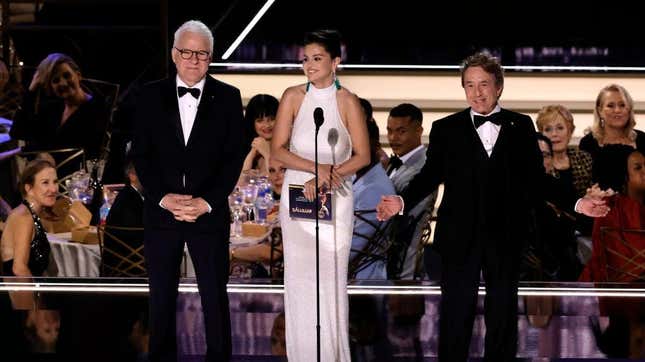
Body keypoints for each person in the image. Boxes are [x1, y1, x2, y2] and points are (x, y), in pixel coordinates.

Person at [376, 52, 610, 362]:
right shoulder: (447, 128)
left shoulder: (521, 125)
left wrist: (580, 203)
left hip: (505, 237)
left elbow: (537, 182)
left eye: (483, 84)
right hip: (459, 238)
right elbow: (429, 176)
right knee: (455, 319)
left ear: (498, 87)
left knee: (502, 319)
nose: (477, 92)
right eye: (469, 85)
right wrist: (402, 200)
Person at [132, 20, 247, 362]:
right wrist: (164, 198)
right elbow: (141, 156)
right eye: (186, 52)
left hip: (208, 215)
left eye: (201, 54)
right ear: (173, 54)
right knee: (161, 299)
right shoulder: (149, 95)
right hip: (161, 214)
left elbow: (232, 159)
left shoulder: (228, 97)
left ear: (210, 58)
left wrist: (206, 202)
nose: (193, 60)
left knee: (214, 298)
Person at [271, 29, 369, 361]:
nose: (309, 65)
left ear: (335, 62)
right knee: (298, 278)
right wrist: (316, 169)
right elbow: (278, 151)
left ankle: (331, 354)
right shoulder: (292, 96)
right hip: (298, 195)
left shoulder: (348, 102)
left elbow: (363, 156)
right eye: (305, 59)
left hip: (336, 200)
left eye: (317, 58)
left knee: (329, 279)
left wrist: (331, 175)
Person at [10, 53, 110, 172]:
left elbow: (90, 152)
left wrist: (40, 151)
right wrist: (31, 90)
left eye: (67, 76)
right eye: (56, 80)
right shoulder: (53, 108)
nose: (62, 83)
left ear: (78, 75)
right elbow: (17, 132)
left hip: (78, 181)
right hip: (49, 179)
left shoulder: (98, 108)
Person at [385, 103, 438, 280]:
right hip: (388, 253)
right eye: (390, 131)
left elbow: (411, 212)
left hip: (406, 257)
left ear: (418, 131)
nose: (393, 138)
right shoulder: (391, 163)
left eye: (401, 131)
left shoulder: (426, 167)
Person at [579, 84, 645, 192]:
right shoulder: (588, 143)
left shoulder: (642, 139)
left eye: (622, 105)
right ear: (600, 111)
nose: (617, 110)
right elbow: (583, 185)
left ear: (629, 109)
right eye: (610, 106)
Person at [1, 159, 56, 278]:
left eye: (55, 182)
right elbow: (19, 270)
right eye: (45, 182)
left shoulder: (32, 214)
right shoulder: (24, 217)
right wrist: (35, 296)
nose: (53, 189)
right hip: (20, 294)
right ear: (28, 188)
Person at [241, 94, 279, 176]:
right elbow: (240, 182)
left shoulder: (289, 149)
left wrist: (266, 153)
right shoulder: (243, 148)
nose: (267, 125)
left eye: (271, 119)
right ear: (251, 123)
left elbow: (277, 179)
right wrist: (252, 153)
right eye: (260, 121)